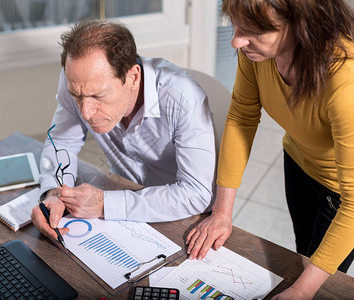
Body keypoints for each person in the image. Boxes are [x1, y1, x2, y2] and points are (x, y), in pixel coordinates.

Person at [186, 0, 354, 298]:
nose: (236, 41)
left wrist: (302, 291)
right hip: (299, 161)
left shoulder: (346, 83)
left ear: (301, 25)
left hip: (344, 193)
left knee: (320, 282)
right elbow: (242, 116)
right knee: (304, 252)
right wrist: (221, 211)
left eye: (253, 31)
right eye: (236, 25)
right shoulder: (255, 53)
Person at [31, 19, 216, 242]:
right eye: (77, 96)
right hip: (119, 201)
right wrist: (54, 193)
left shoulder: (183, 98)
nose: (86, 112)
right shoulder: (79, 80)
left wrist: (104, 204)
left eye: (98, 96)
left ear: (133, 77)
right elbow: (62, 141)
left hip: (182, 217)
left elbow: (195, 193)